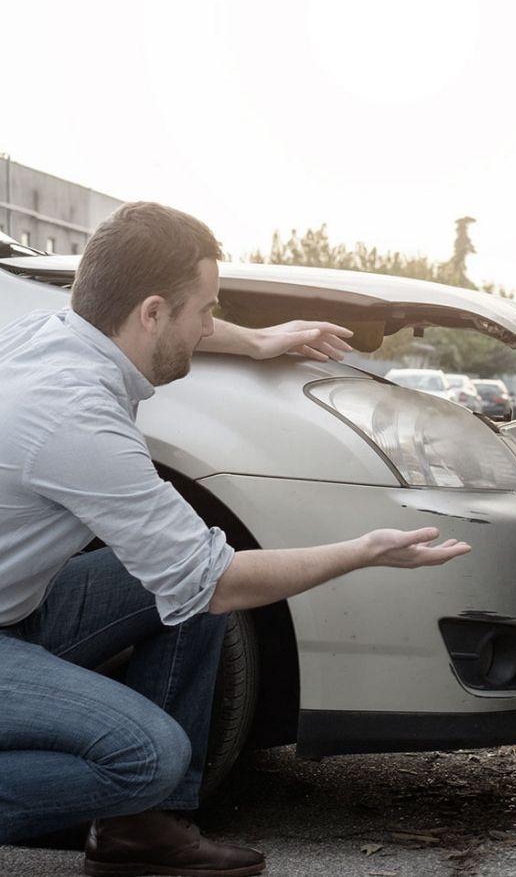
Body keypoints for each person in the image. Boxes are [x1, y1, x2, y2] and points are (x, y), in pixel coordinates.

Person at [0, 202, 472, 876]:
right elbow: (217, 583)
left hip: (19, 614)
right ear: (152, 313)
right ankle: (144, 795)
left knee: (179, 568)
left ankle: (140, 832)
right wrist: (364, 552)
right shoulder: (75, 415)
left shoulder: (53, 334)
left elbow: (192, 575)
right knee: (148, 755)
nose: (208, 327)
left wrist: (256, 340)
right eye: (205, 311)